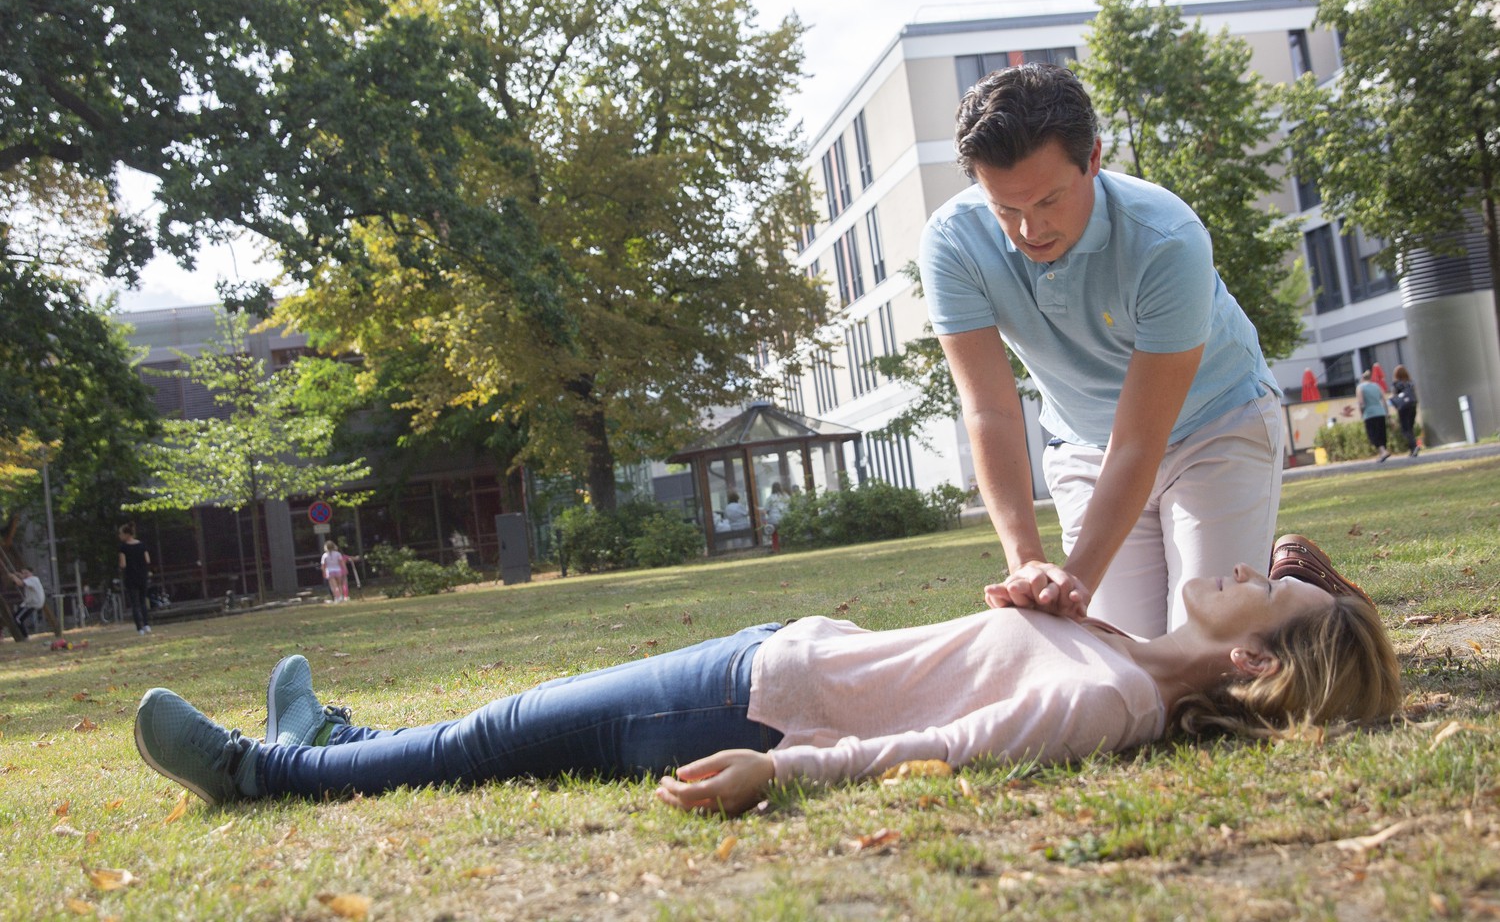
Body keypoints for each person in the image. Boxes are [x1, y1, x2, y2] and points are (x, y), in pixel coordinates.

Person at [132, 535, 1401, 815]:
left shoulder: (1114, 700)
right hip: (766, 662)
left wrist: (777, 772)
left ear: (1253, 655)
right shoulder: (1121, 652)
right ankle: (339, 728)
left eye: (1274, 585)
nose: (1248, 559)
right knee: (495, 724)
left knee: (495, 739)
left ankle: (265, 772)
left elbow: (948, 751)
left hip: (749, 703)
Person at [918, 63, 1283, 638]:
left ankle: (1297, 583)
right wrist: (1028, 565)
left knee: (1203, 648)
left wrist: (1077, 580)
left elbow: (1141, 437)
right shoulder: (951, 243)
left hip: (1217, 424)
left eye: (1048, 200)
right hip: (1085, 444)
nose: (1028, 229)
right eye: (1005, 208)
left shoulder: (1168, 239)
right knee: (1119, 658)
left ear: (1092, 160)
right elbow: (989, 409)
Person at [118, 523, 153, 635]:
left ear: (126, 534)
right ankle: (147, 625)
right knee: (143, 602)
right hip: (142, 576)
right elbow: (147, 560)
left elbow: (123, 564)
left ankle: (139, 628)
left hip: (130, 577)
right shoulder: (142, 545)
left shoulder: (123, 547)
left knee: (135, 604)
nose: (119, 536)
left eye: (121, 533)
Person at [1356, 370, 1392, 463]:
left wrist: (1361, 413)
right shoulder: (1377, 386)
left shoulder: (1360, 387)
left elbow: (1361, 403)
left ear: (1362, 378)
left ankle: (1383, 452)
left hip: (1369, 413)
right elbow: (1384, 400)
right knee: (1381, 432)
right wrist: (1387, 413)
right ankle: (1382, 453)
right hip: (1380, 411)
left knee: (1373, 434)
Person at [1390, 365, 1419, 457]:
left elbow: (1394, 396)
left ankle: (1414, 446)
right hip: (1413, 405)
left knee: (1405, 429)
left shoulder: (1396, 384)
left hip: (1403, 408)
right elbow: (1415, 393)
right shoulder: (1410, 383)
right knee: (1410, 428)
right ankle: (1413, 449)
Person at [8, 567, 46, 636]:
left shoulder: (33, 579)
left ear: (31, 573)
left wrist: (13, 576)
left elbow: (20, 583)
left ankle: (24, 636)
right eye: (23, 573)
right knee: (16, 617)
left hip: (32, 603)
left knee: (17, 619)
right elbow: (18, 581)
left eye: (26, 573)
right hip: (29, 603)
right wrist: (17, 575)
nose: (25, 575)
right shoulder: (29, 579)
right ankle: (22, 635)